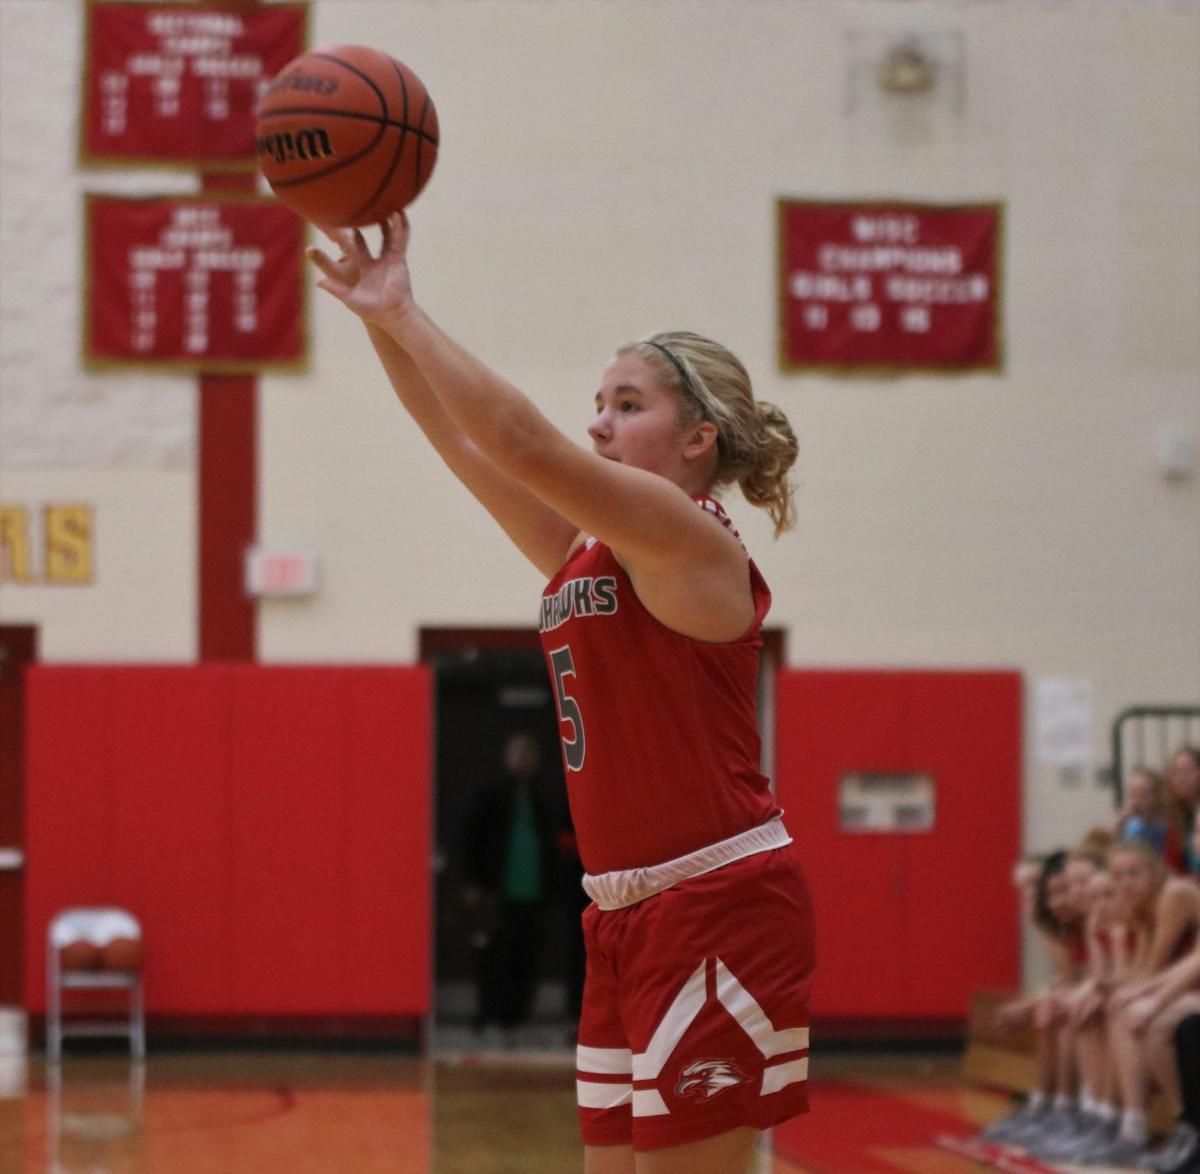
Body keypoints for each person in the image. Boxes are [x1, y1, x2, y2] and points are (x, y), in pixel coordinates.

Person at [308, 215, 814, 1174]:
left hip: (715, 900)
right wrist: (381, 323)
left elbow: (521, 441)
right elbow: (468, 443)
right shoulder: (589, 547)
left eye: (627, 405)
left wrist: (410, 312)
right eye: (597, 401)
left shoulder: (686, 533)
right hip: (620, 911)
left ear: (699, 438)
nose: (597, 421)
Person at [461, 731, 560, 1040]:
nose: (524, 761)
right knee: (493, 954)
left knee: (525, 954)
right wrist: (473, 880)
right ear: (507, 757)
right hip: (497, 892)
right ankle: (488, 1013)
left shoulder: (542, 801)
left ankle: (516, 1017)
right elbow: (471, 839)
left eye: (530, 755)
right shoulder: (490, 797)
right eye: (519, 754)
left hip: (532, 893)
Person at [1116, 769, 1170, 857]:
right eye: (1132, 794)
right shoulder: (1131, 824)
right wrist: (1120, 823)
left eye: (1143, 794)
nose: (1136, 800)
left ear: (1157, 796)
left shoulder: (1164, 825)